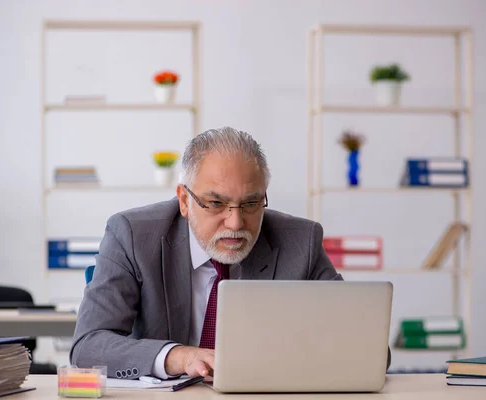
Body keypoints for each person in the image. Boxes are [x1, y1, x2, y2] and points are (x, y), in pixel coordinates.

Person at [70, 126, 390, 379]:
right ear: (184, 200)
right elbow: (89, 345)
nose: (236, 222)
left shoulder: (300, 241)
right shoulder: (132, 234)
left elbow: (370, 350)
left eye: (251, 203)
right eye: (216, 203)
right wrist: (179, 356)